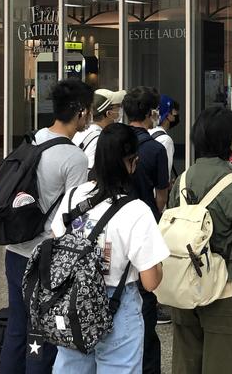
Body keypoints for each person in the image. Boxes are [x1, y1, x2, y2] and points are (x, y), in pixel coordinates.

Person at [51, 123, 170, 374]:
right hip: (117, 304)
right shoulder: (136, 210)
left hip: (72, 301)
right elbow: (150, 282)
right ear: (132, 162)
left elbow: (57, 241)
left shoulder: (73, 196)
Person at [0, 79, 92, 374]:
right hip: (44, 257)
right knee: (42, 331)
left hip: (15, 248)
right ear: (80, 111)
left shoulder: (35, 138)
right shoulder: (75, 157)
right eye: (88, 110)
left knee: (17, 324)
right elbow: (74, 215)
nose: (89, 117)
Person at [169, 107, 232, 374]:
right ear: (231, 140)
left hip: (184, 285)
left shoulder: (182, 180)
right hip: (225, 288)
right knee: (226, 363)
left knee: (186, 362)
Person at [123, 86, 170, 370]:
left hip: (113, 224)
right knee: (146, 290)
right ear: (152, 113)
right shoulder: (155, 148)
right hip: (145, 223)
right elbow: (162, 194)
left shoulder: (113, 141)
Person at [73, 88, 125, 172]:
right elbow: (91, 172)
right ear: (109, 113)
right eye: (118, 106)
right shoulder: (99, 139)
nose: (120, 110)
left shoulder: (80, 133)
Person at [149, 94, 180, 179]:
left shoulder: (147, 132)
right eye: (174, 111)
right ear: (168, 115)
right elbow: (164, 176)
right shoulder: (165, 140)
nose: (176, 113)